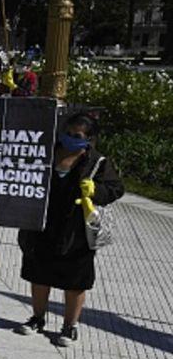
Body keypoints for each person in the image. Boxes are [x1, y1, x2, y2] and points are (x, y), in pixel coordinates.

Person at [15, 113, 124, 346]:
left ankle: (69, 326)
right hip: (42, 225)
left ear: (89, 139)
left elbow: (116, 189)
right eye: (68, 133)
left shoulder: (97, 163)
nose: (70, 139)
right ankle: (37, 318)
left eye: (77, 136)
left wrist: (96, 190)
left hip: (76, 231)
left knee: (75, 281)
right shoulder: (47, 151)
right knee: (39, 275)